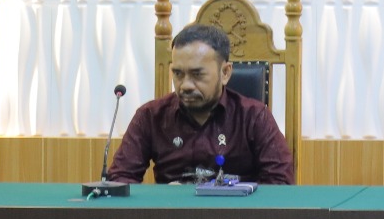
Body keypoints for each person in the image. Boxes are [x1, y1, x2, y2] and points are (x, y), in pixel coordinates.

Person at [107, 23, 296, 185]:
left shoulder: (254, 117)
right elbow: (120, 179)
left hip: (237, 215)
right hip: (171, 214)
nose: (186, 85)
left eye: (197, 74)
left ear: (225, 73)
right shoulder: (151, 116)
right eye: (178, 74)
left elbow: (280, 183)